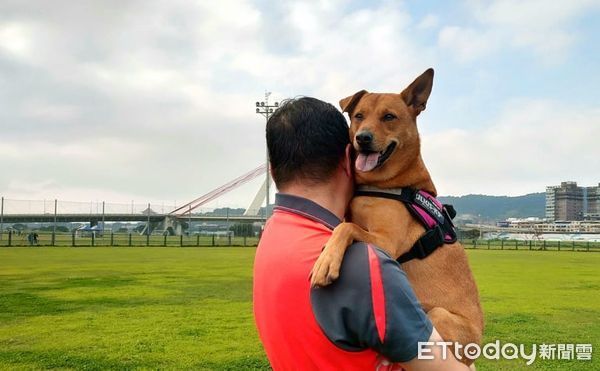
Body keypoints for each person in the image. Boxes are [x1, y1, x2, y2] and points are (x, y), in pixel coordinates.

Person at [253, 97, 470, 370]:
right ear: (349, 159)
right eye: (358, 118)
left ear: (272, 171)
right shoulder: (362, 265)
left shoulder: (271, 238)